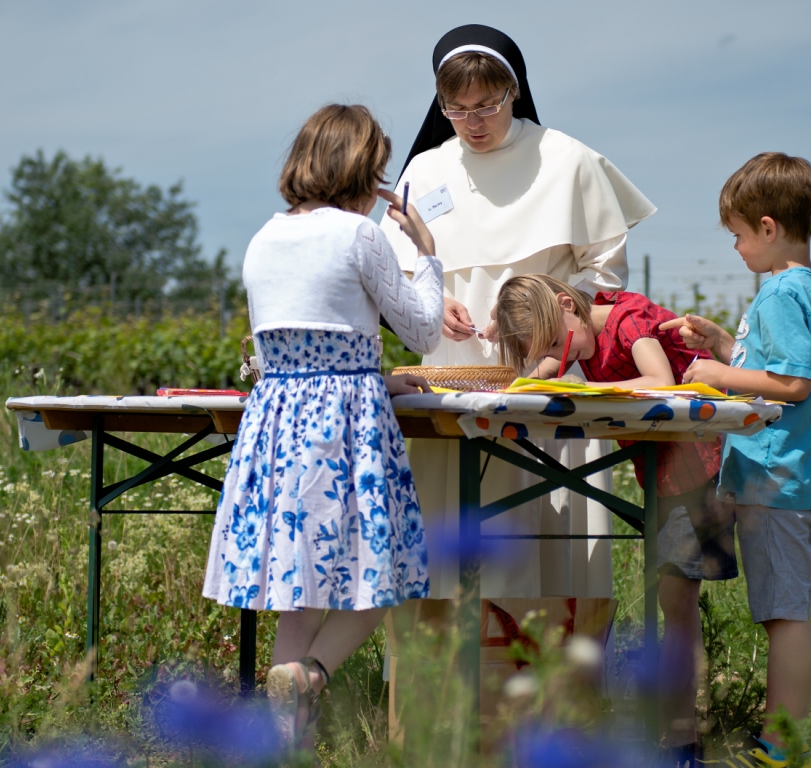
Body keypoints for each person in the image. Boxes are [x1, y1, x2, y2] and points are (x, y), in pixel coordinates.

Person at [379, 23, 657, 601]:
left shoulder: (568, 160)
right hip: (453, 371)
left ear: (515, 90)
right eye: (456, 110)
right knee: (451, 525)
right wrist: (431, 297)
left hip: (549, 371)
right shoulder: (426, 171)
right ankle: (444, 683)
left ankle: (547, 680)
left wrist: (537, 314)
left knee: (550, 525)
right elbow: (391, 272)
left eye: (487, 105)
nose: (473, 123)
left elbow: (606, 277)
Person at [201, 104, 444, 752]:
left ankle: (285, 738)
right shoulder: (358, 236)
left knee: (296, 588)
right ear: (364, 170)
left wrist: (371, 369)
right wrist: (427, 252)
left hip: (278, 418)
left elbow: (300, 340)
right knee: (383, 574)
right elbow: (422, 329)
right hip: (344, 426)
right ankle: (309, 674)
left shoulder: (264, 236)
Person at [496, 274, 737, 767]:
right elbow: (542, 370)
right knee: (674, 605)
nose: (559, 353)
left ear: (568, 305)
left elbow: (659, 383)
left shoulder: (629, 319)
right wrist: (529, 370)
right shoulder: (578, 331)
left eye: (556, 341)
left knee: (678, 607)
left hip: (698, 471)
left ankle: (683, 740)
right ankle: (675, 736)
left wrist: (581, 385)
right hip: (667, 473)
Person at [661, 152, 811, 768]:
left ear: (767, 228)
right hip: (780, 478)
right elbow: (776, 366)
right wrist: (722, 346)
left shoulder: (783, 291)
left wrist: (715, 373)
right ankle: (777, 739)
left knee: (785, 616)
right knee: (778, 611)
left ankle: (782, 746)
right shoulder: (803, 288)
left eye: (737, 234)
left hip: (781, 481)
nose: (735, 247)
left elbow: (792, 386)